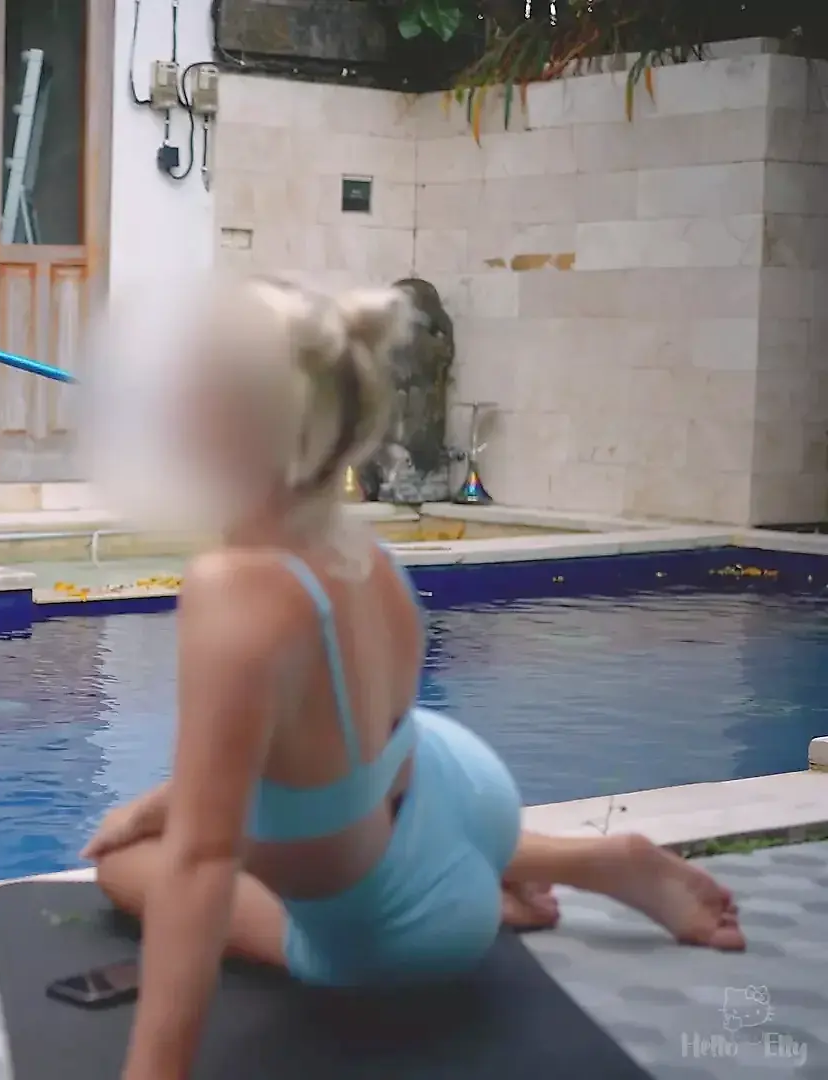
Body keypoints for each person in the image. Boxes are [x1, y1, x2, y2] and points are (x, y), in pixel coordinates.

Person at [75, 275, 744, 1080]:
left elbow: (202, 865)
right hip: (461, 786)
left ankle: (503, 881)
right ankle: (578, 860)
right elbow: (308, 744)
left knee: (126, 866)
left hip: (405, 928)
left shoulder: (235, 591)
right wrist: (160, 803)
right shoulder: (360, 550)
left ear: (231, 422)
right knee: (182, 817)